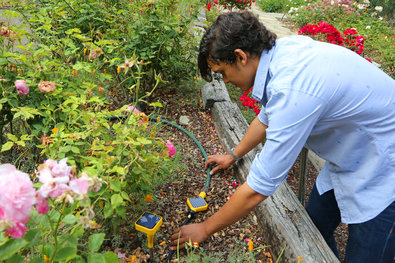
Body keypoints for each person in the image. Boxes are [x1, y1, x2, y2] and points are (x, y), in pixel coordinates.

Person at [170, 11, 395, 262]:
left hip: (386, 167)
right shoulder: (280, 54)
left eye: (223, 72)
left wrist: (205, 228)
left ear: (240, 57)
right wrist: (233, 155)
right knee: (314, 226)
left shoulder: (293, 89)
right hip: (355, 153)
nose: (226, 80)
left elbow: (258, 189)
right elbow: (267, 118)